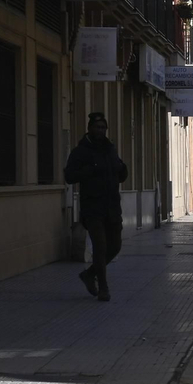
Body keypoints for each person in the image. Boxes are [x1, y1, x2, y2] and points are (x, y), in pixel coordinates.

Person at [64, 111, 128, 302]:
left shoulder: (110, 149)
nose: (100, 130)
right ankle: (104, 288)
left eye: (103, 128)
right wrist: (87, 172)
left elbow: (121, 175)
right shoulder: (81, 151)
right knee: (99, 247)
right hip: (93, 207)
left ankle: (89, 274)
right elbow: (69, 176)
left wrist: (122, 168)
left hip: (112, 207)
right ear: (89, 129)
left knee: (115, 246)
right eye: (97, 127)